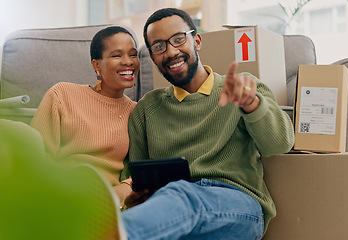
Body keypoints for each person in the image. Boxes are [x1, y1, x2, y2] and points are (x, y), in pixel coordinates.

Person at [119, 8, 294, 240]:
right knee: (177, 198)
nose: (171, 51)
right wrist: (137, 195)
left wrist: (251, 104)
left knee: (182, 195)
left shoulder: (243, 87)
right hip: (173, 213)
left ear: (197, 40)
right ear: (152, 57)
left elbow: (280, 144)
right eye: (159, 46)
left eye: (179, 39)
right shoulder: (146, 108)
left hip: (239, 208)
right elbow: (138, 175)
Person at [30, 26, 139, 203]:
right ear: (97, 65)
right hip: (60, 193)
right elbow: (36, 156)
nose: (128, 62)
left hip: (109, 202)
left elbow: (144, 167)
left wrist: (126, 186)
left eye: (133, 54)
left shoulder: (136, 111)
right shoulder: (62, 94)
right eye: (117, 55)